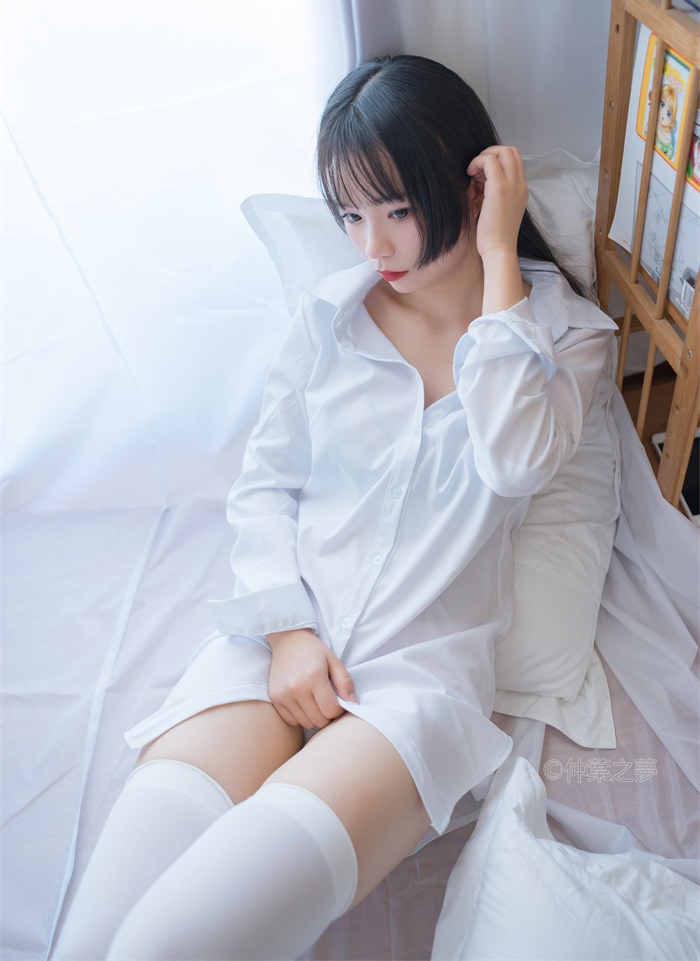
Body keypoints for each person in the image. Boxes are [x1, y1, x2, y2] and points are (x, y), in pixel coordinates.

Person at [52, 55, 618, 961]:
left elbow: (515, 461)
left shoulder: (564, 336)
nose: (372, 246)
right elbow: (264, 486)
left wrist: (499, 253)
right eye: (350, 215)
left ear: (470, 189)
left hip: (412, 691)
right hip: (275, 650)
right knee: (89, 943)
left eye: (396, 209)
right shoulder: (328, 318)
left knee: (162, 947)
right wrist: (287, 633)